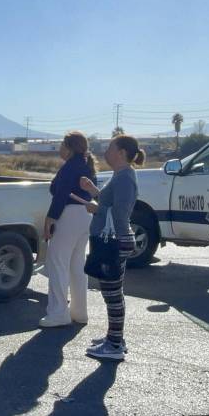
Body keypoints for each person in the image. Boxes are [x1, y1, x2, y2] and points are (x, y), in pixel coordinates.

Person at [79, 135, 145, 360]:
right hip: (113, 239)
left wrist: (95, 208)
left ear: (122, 153)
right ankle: (114, 337)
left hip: (115, 241)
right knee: (113, 293)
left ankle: (114, 345)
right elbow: (111, 202)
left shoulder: (125, 177)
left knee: (112, 294)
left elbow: (120, 212)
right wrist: (94, 192)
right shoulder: (121, 175)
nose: (105, 152)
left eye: (110, 148)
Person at [39, 131, 98, 328]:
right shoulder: (87, 165)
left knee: (58, 263)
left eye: (62, 144)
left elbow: (61, 193)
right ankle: (80, 312)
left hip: (69, 215)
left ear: (70, 147)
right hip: (84, 217)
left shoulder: (70, 166)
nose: (59, 148)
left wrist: (50, 218)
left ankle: (58, 313)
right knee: (77, 265)